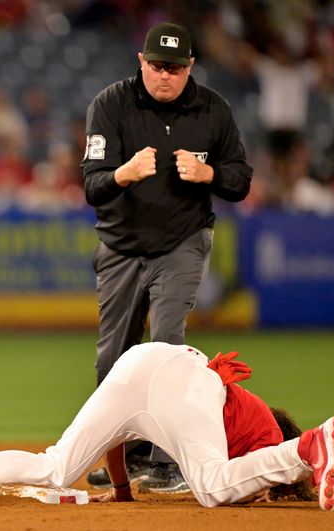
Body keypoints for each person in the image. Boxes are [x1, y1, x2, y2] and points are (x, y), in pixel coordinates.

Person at [81, 21, 252, 491]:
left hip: (183, 241)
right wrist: (124, 173)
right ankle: (126, 457)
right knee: (114, 359)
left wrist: (208, 172)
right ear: (141, 61)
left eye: (175, 68)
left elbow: (240, 181)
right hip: (120, 246)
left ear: (190, 67)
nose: (165, 75)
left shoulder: (213, 110)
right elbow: (93, 187)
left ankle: (167, 460)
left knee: (168, 344)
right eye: (157, 65)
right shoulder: (110, 105)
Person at [0, 343, 334, 512]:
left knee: (56, 466)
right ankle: (310, 445)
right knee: (212, 489)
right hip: (188, 383)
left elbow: (120, 434)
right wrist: (284, 466)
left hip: (143, 360)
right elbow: (244, 485)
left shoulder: (253, 417)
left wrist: (124, 491)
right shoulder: (267, 434)